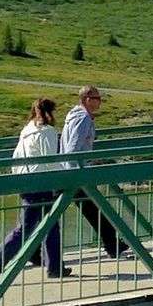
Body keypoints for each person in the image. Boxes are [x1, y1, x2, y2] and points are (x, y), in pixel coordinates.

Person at [0, 98, 71, 283]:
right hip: (41, 183)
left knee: (51, 224)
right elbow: (50, 161)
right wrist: (64, 179)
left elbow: (15, 157)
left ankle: (55, 266)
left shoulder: (27, 130)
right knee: (26, 229)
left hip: (26, 182)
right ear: (51, 112)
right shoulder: (47, 132)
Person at [61, 85, 125, 258]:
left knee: (92, 209)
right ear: (87, 99)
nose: (100, 102)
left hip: (70, 170)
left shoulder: (76, 116)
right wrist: (84, 164)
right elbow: (73, 148)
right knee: (93, 209)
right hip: (76, 173)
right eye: (97, 98)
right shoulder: (83, 119)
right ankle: (113, 244)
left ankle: (113, 244)